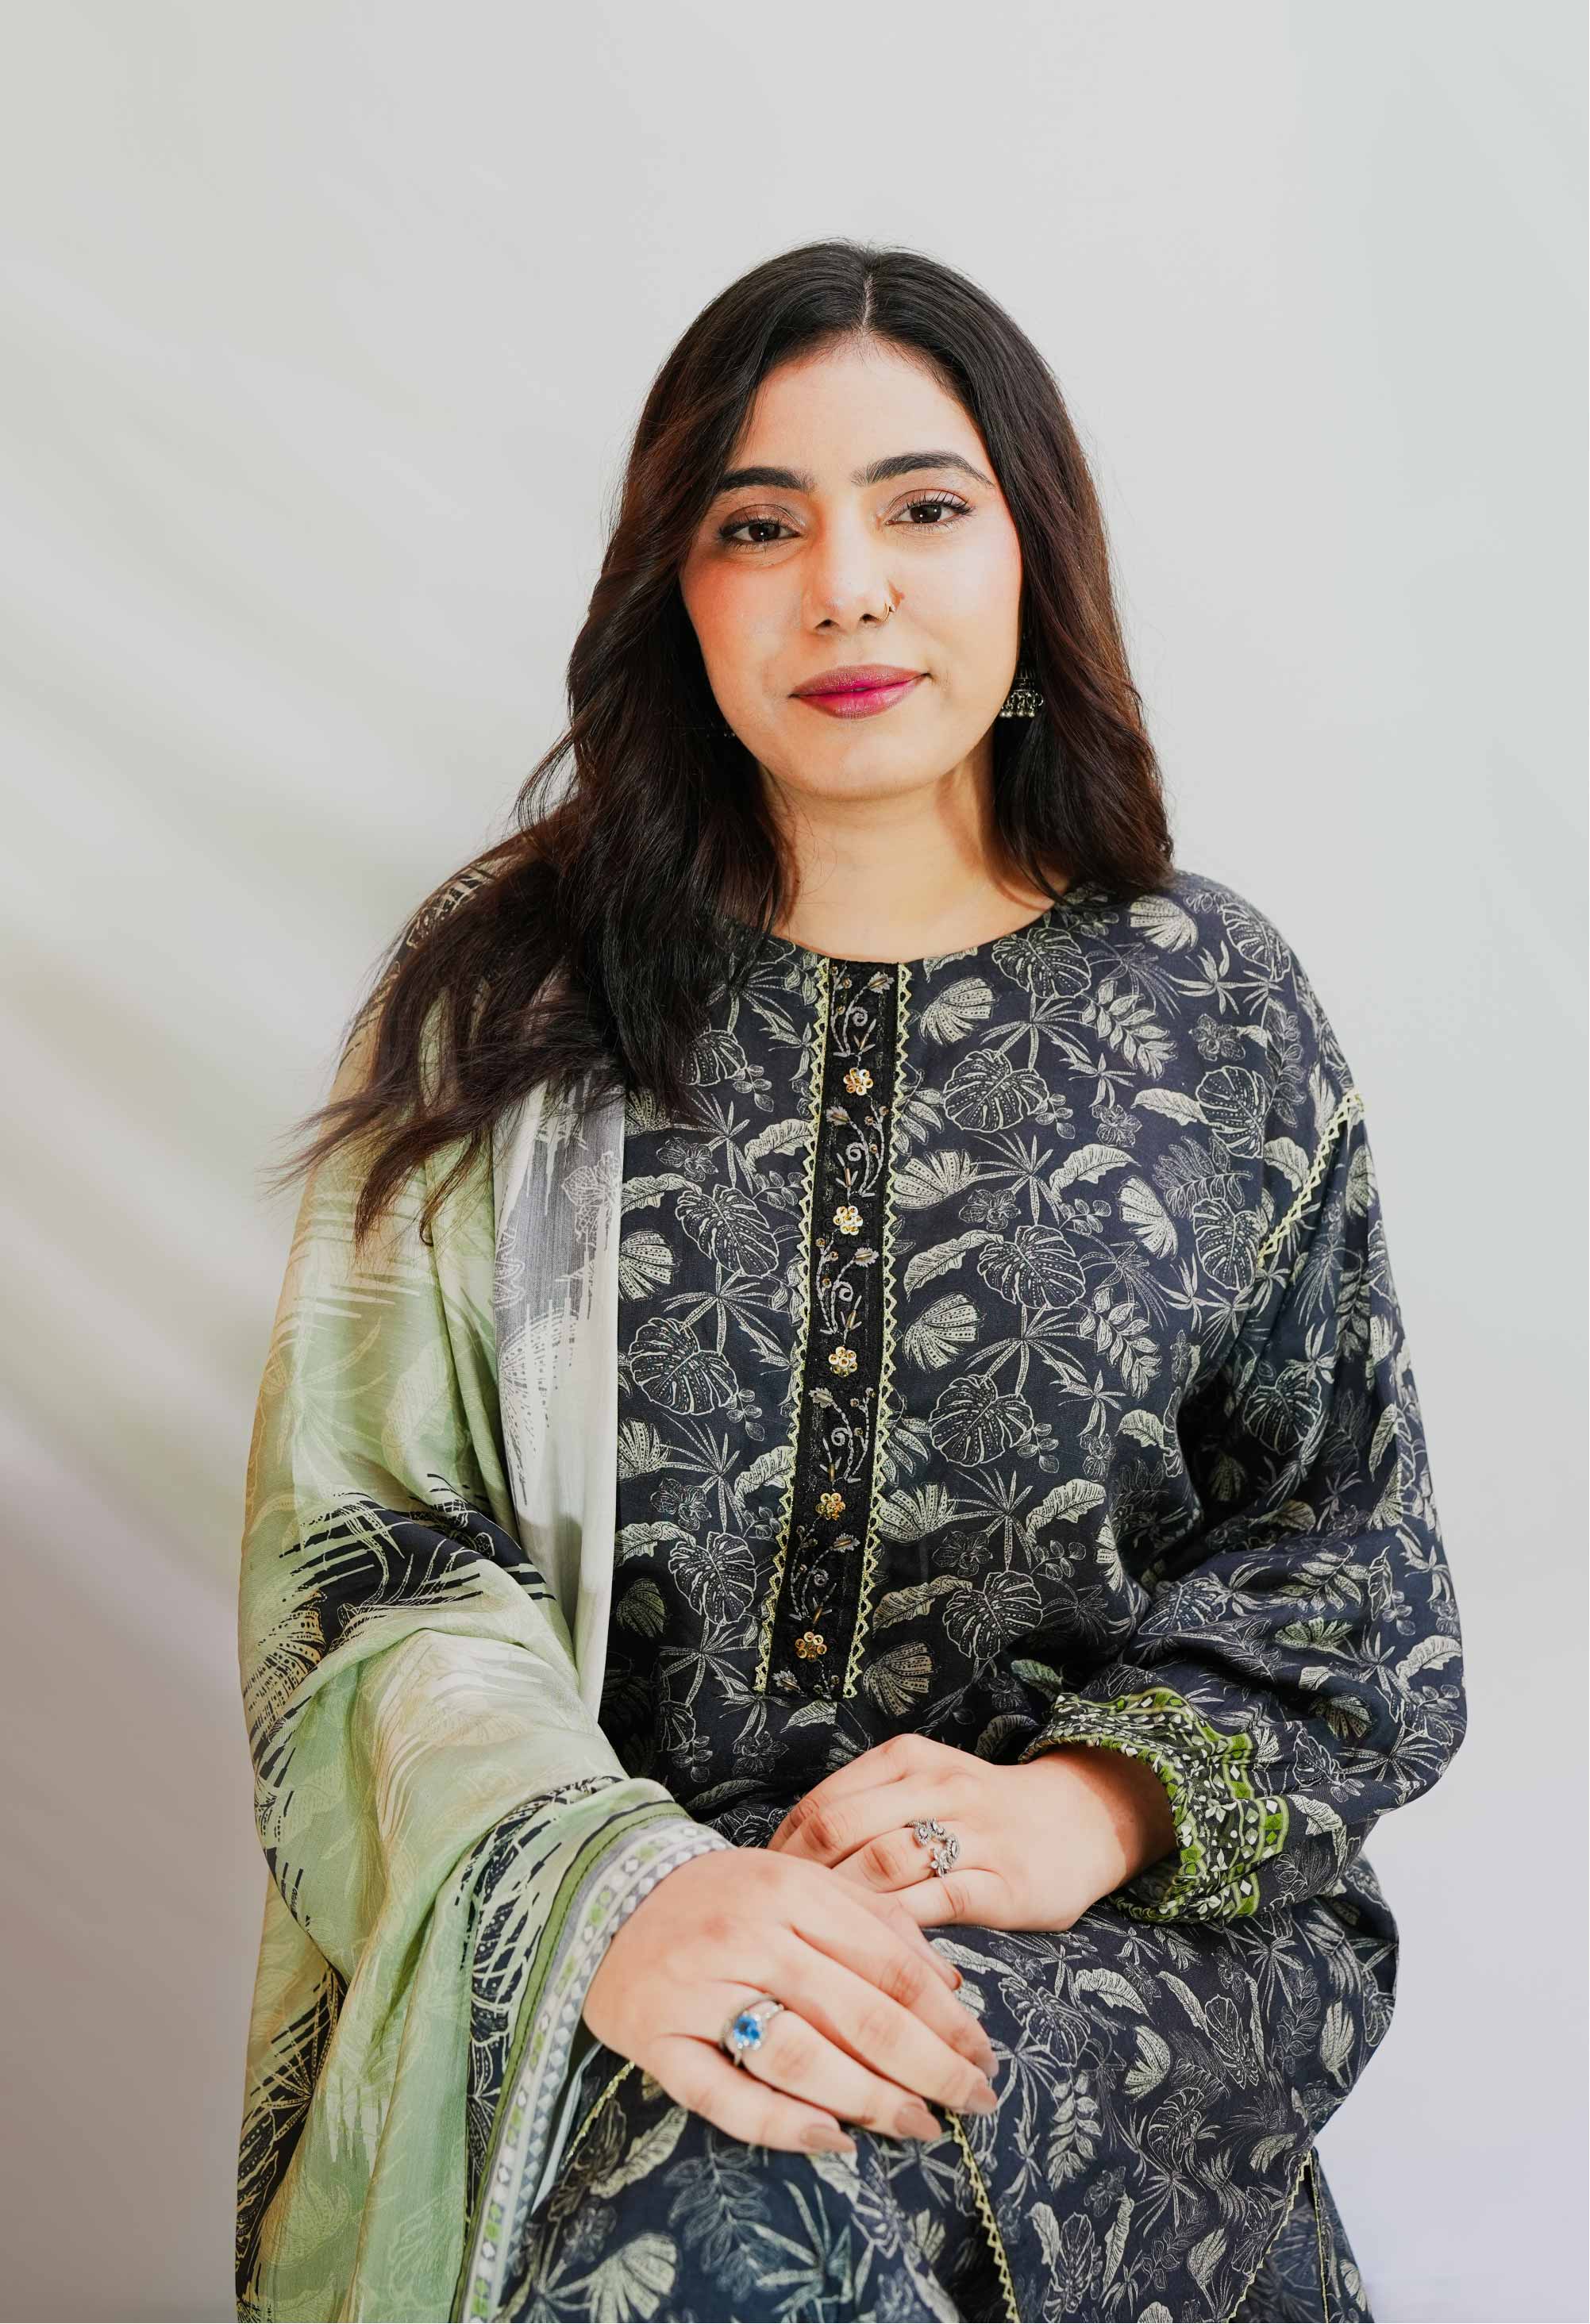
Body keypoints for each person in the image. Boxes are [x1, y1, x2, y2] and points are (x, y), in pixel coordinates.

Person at [233, 240, 1467, 2324]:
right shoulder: (513, 1005)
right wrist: (620, 1895)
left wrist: (1086, 1808)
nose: (848, 588)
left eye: (922, 506)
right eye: (757, 526)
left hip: (1107, 1944)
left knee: (778, 2199)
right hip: (645, 1926)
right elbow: (370, 1569)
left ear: (1030, 559)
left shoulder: (1211, 1006)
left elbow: (1348, 1571)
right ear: (676, 596)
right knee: (717, 2185)